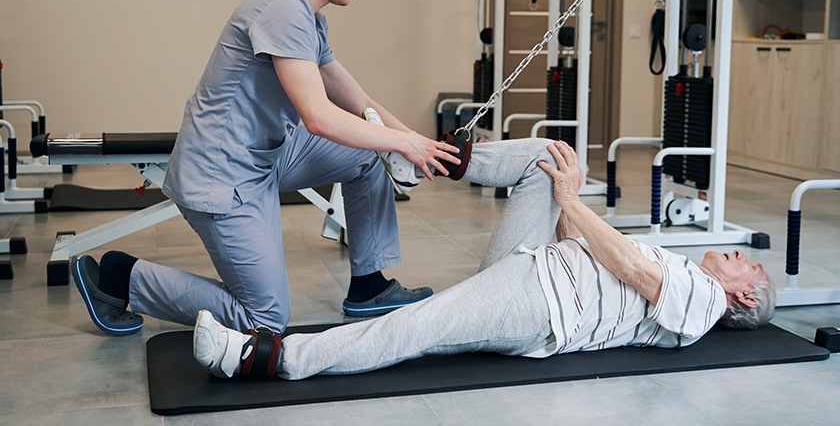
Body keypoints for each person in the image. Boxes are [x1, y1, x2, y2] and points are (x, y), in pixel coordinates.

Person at [70, 0, 461, 337]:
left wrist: (421, 143)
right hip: (222, 175)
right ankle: (121, 279)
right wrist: (404, 144)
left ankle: (370, 287)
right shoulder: (283, 9)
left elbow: (358, 101)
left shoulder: (308, 16)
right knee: (265, 320)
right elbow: (318, 117)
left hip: (266, 155)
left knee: (366, 155)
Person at [191, 137, 777, 380]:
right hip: (541, 263)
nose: (738, 254)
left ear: (745, 295)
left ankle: (266, 359)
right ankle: (421, 160)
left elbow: (629, 268)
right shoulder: (689, 276)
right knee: (549, 157)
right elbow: (591, 248)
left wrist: (572, 200)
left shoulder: (704, 303)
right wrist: (565, 202)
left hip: (541, 306)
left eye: (748, 265)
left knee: (414, 326)